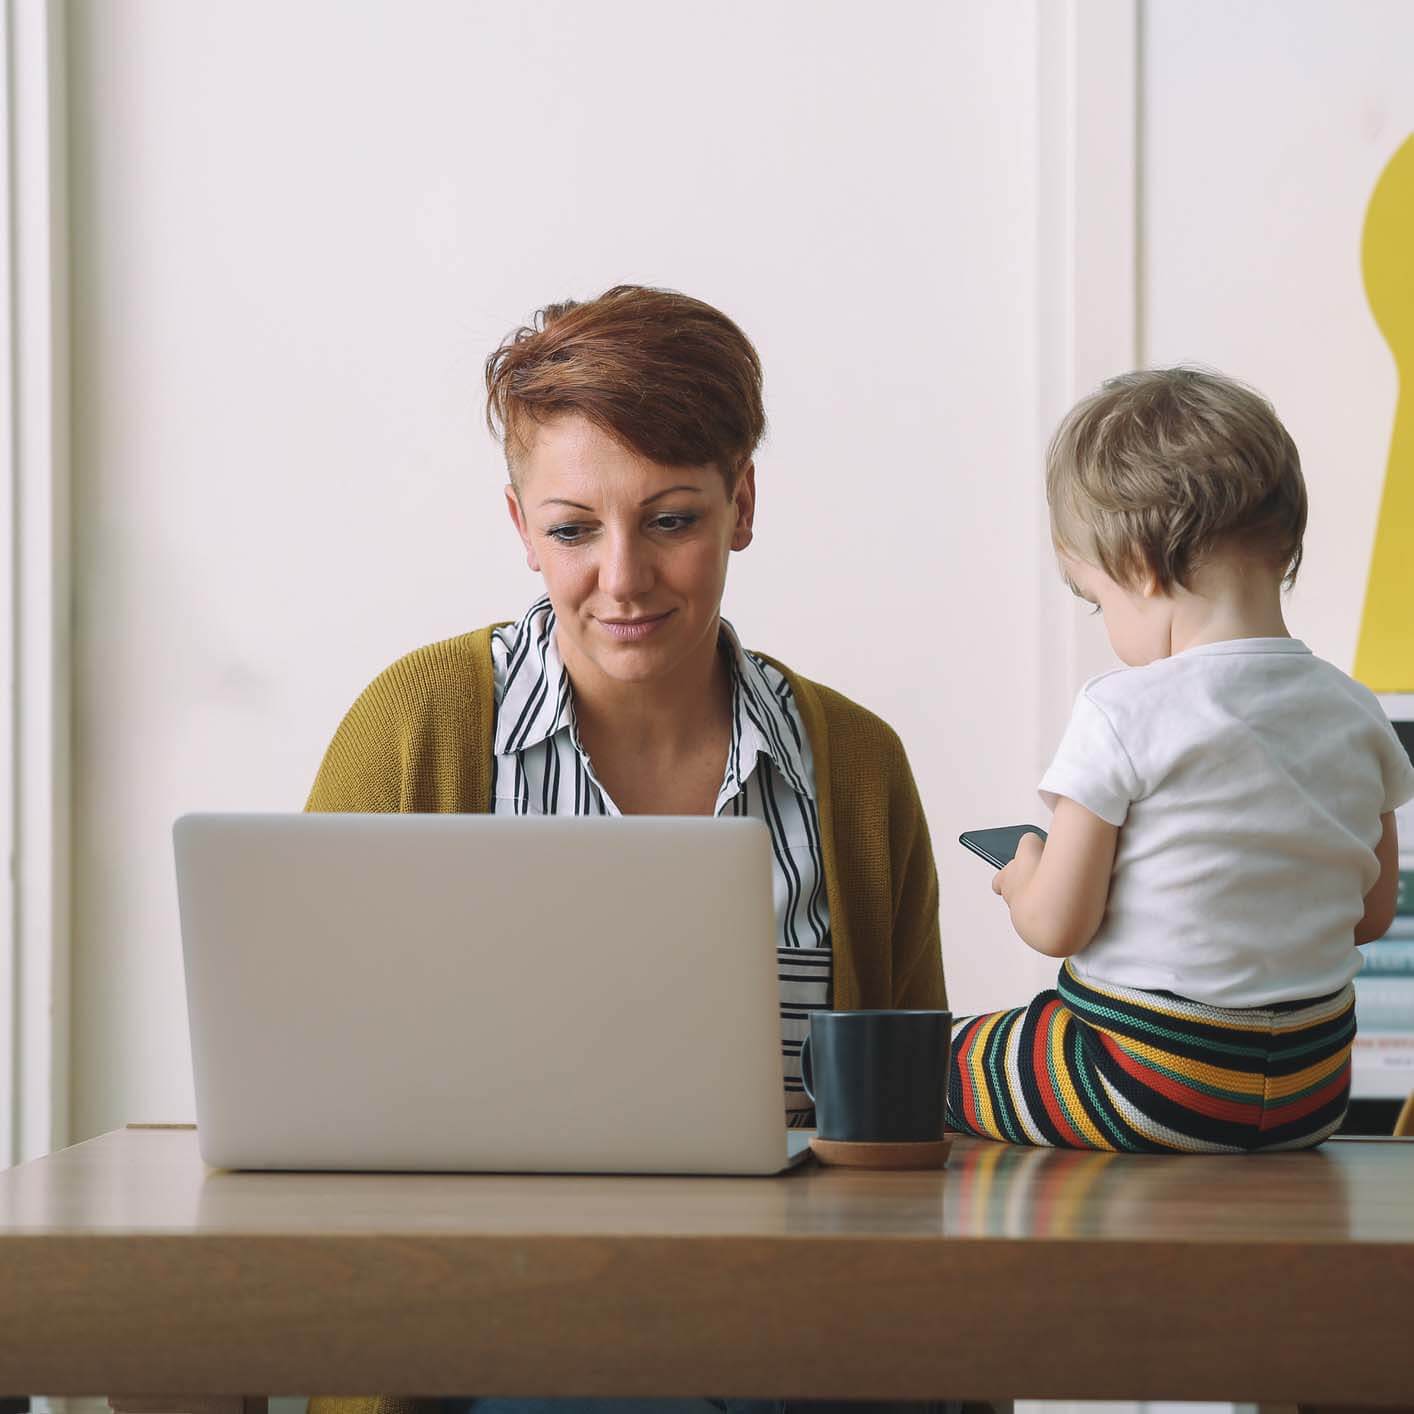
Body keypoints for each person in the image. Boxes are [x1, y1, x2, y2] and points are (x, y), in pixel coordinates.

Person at [306, 285, 951, 1414]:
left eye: (670, 519)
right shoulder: (417, 729)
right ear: (519, 527)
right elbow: (306, 1090)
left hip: (793, 1328)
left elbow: (909, 1143)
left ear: (740, 502)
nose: (623, 578)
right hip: (483, 1329)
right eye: (572, 529)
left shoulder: (853, 768)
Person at [947, 367, 1414, 1154]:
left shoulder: (1122, 710)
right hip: (1310, 1091)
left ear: (1137, 565)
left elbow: (1058, 925)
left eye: (1096, 601)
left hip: (1145, 1083)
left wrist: (1025, 867)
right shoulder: (1355, 712)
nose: (1104, 624)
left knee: (931, 1058)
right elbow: (1370, 913)